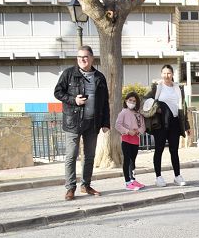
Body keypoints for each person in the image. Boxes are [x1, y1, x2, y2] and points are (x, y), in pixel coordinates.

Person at [54, 45, 110, 201]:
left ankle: (86, 185)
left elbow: (105, 101)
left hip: (93, 123)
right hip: (73, 122)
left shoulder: (99, 77)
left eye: (85, 57)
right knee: (71, 155)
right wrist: (74, 100)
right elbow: (58, 92)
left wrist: (106, 122)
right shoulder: (68, 74)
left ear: (92, 58)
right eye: (79, 57)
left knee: (89, 156)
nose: (82, 60)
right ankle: (70, 188)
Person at [146, 64, 187, 186]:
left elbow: (183, 106)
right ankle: (158, 177)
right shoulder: (157, 87)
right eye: (164, 73)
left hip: (175, 121)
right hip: (160, 123)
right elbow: (146, 101)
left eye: (169, 73)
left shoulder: (178, 87)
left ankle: (177, 176)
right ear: (161, 74)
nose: (166, 75)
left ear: (172, 74)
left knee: (174, 150)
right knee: (159, 149)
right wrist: (156, 108)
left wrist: (187, 125)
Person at [115, 91, 146, 191]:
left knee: (133, 161)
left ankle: (133, 179)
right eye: (130, 100)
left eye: (134, 101)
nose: (132, 102)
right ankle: (127, 182)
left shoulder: (139, 114)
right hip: (126, 139)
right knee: (127, 160)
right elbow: (118, 125)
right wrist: (128, 131)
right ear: (126, 101)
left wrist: (138, 131)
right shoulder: (123, 112)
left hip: (136, 140)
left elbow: (143, 127)